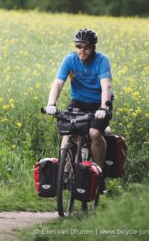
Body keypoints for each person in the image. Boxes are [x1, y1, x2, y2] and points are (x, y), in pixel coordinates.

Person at [45, 28, 113, 170]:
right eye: (78, 46)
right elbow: (58, 83)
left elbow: (106, 86)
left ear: (94, 47)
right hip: (78, 101)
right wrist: (51, 103)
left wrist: (103, 108)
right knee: (68, 131)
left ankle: (99, 173)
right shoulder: (70, 59)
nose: (82, 50)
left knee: (94, 133)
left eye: (86, 47)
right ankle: (64, 171)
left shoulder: (102, 60)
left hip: (99, 103)